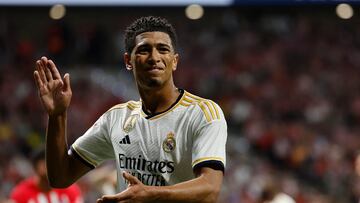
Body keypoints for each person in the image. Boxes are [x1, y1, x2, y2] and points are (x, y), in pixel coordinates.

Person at [33, 16, 227, 203]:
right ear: (128, 61)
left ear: (174, 60)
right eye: (144, 50)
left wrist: (149, 194)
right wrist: (57, 115)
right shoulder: (115, 119)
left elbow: (210, 189)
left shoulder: (202, 113)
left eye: (163, 49)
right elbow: (60, 177)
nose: (154, 57)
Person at [9, 148, 83, 203]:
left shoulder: (69, 189)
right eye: (45, 163)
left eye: (54, 163)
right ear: (35, 167)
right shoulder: (21, 193)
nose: (50, 166)